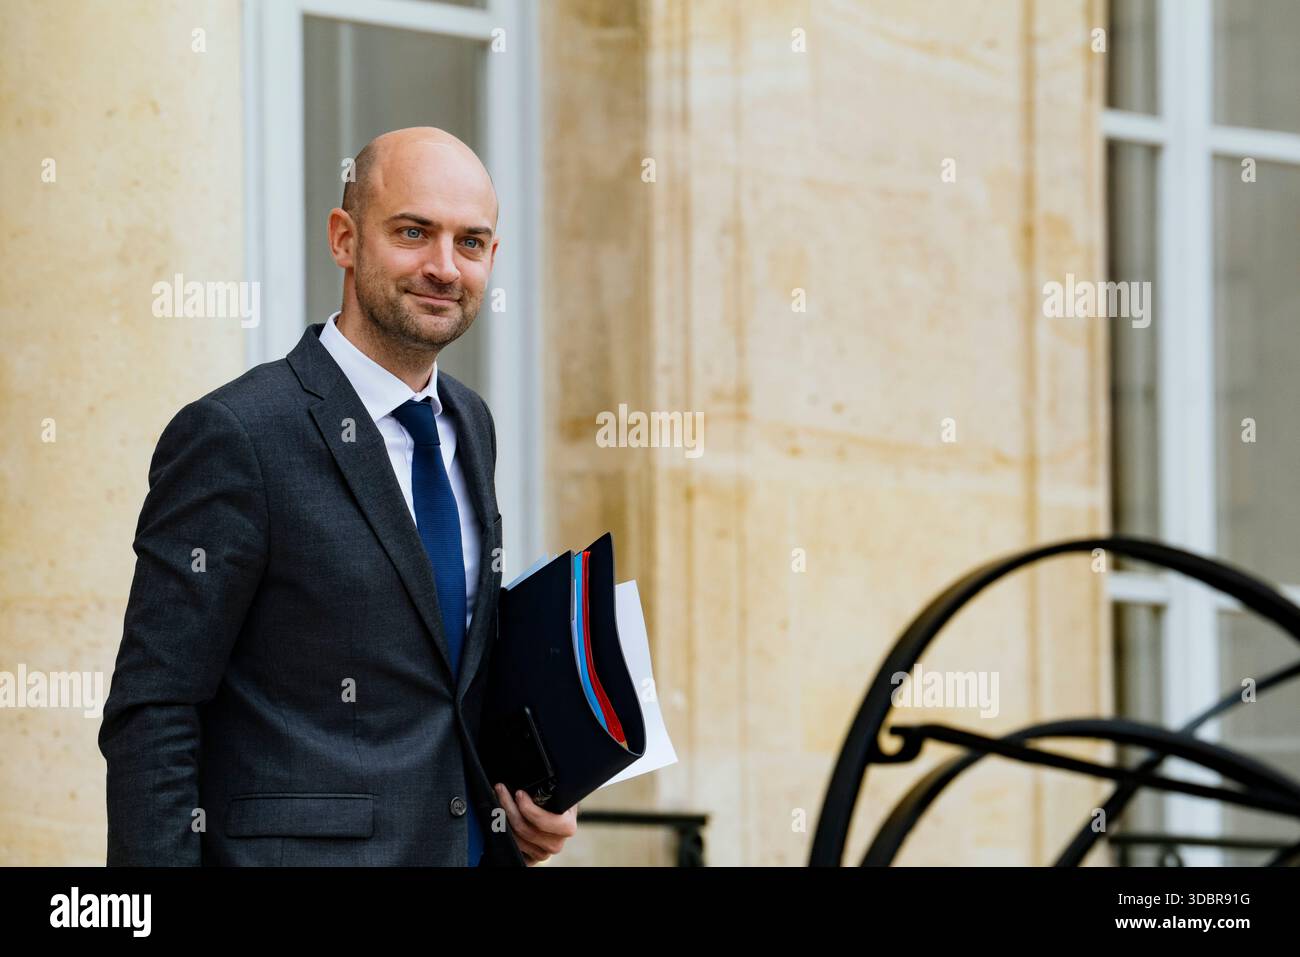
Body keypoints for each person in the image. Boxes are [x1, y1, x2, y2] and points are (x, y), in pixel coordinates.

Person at [98, 127, 577, 866]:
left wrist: (528, 798)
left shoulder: (470, 424)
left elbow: (441, 680)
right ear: (344, 238)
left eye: (471, 242)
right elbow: (153, 712)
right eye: (414, 232)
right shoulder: (236, 435)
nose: (444, 267)